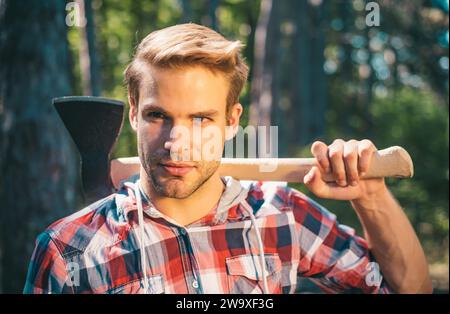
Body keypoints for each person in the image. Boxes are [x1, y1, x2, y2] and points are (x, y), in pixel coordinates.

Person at [24, 23, 432, 294]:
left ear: (232, 121)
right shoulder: (68, 250)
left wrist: (370, 195)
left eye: (201, 118)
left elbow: (409, 288)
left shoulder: (281, 216)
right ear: (133, 113)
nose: (177, 142)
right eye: (157, 116)